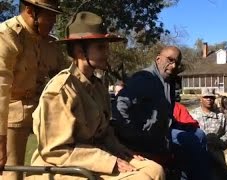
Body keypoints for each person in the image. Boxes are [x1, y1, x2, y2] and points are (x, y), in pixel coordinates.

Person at [27, 11, 164, 180]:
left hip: (92, 159)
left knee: (155, 170)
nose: (107, 52)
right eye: (100, 47)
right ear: (79, 51)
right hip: (60, 167)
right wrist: (109, 161)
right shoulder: (61, 90)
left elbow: (104, 132)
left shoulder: (98, 87)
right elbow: (55, 150)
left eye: (106, 46)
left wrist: (120, 151)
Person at [112, 46, 215, 179]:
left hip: (164, 129)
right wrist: (131, 134)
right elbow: (120, 106)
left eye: (177, 63)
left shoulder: (168, 80)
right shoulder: (144, 79)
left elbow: (165, 113)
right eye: (170, 60)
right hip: (147, 136)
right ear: (158, 59)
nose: (173, 66)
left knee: (199, 134)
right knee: (191, 142)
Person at [0, 0, 64, 179]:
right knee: (11, 172)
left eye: (55, 16)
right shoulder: (7, 36)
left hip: (43, 112)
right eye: (49, 15)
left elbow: (62, 78)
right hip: (11, 115)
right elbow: (1, 89)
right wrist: (0, 140)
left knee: (55, 168)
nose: (53, 22)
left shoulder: (50, 43)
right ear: (30, 11)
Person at [190, 87, 227, 164]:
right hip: (197, 156)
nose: (209, 99)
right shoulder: (192, 115)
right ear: (200, 99)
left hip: (217, 156)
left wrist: (219, 142)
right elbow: (187, 134)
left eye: (211, 97)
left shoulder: (221, 116)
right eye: (206, 97)